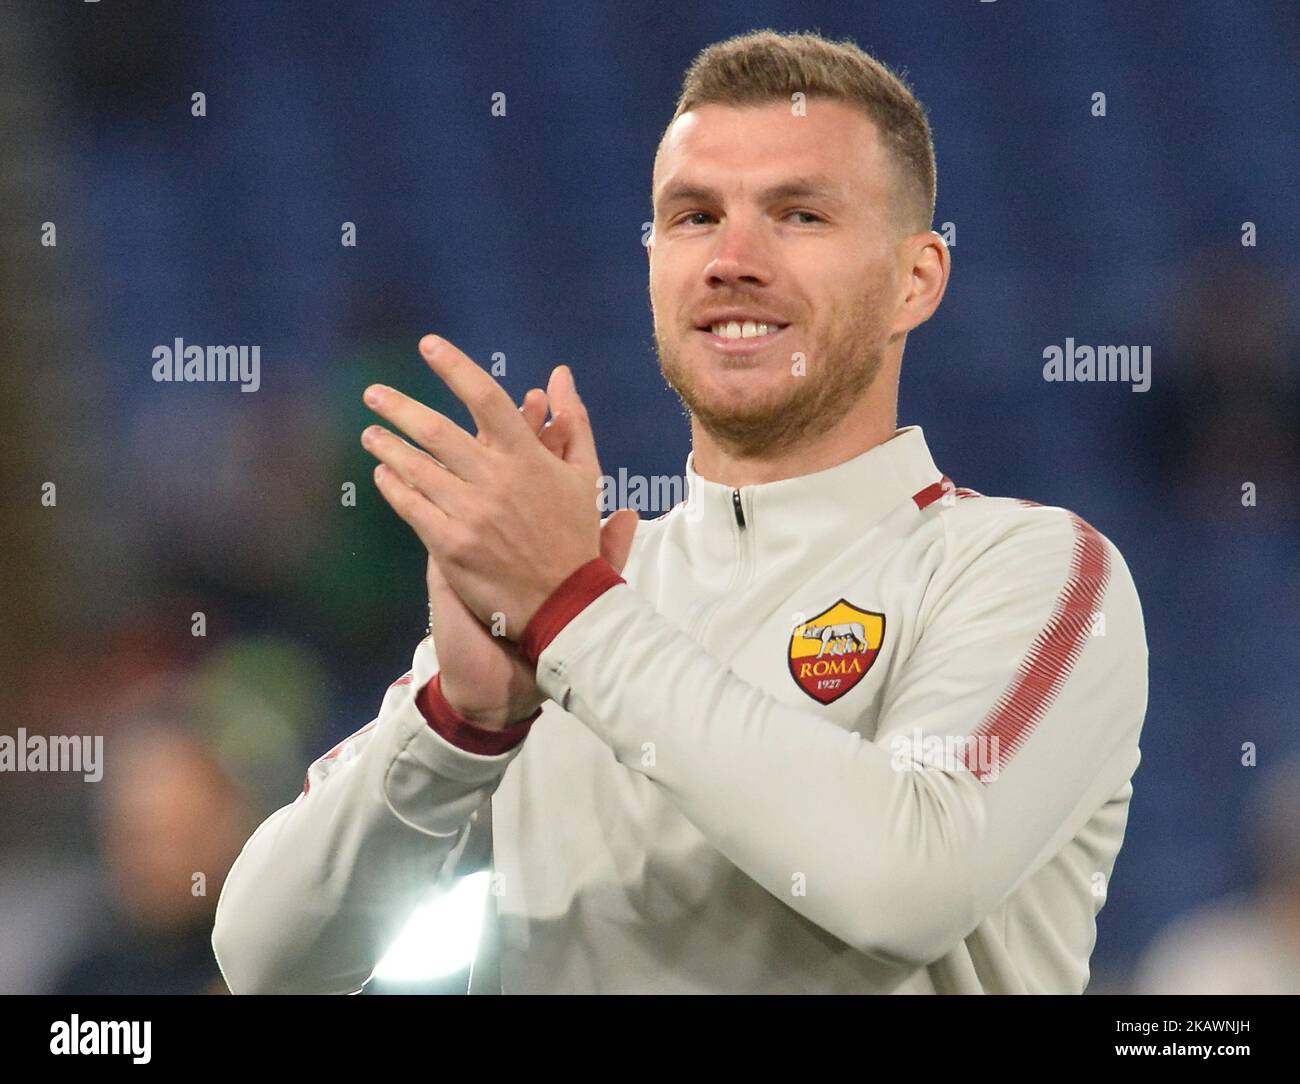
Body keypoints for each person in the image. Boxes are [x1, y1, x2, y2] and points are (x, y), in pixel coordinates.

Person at [213, 29, 1148, 995]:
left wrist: (575, 616)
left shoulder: (1031, 569)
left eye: (800, 215)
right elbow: (265, 961)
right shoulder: (575, 589)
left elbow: (904, 883)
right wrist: (462, 723)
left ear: (916, 279)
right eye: (695, 216)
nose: (732, 259)